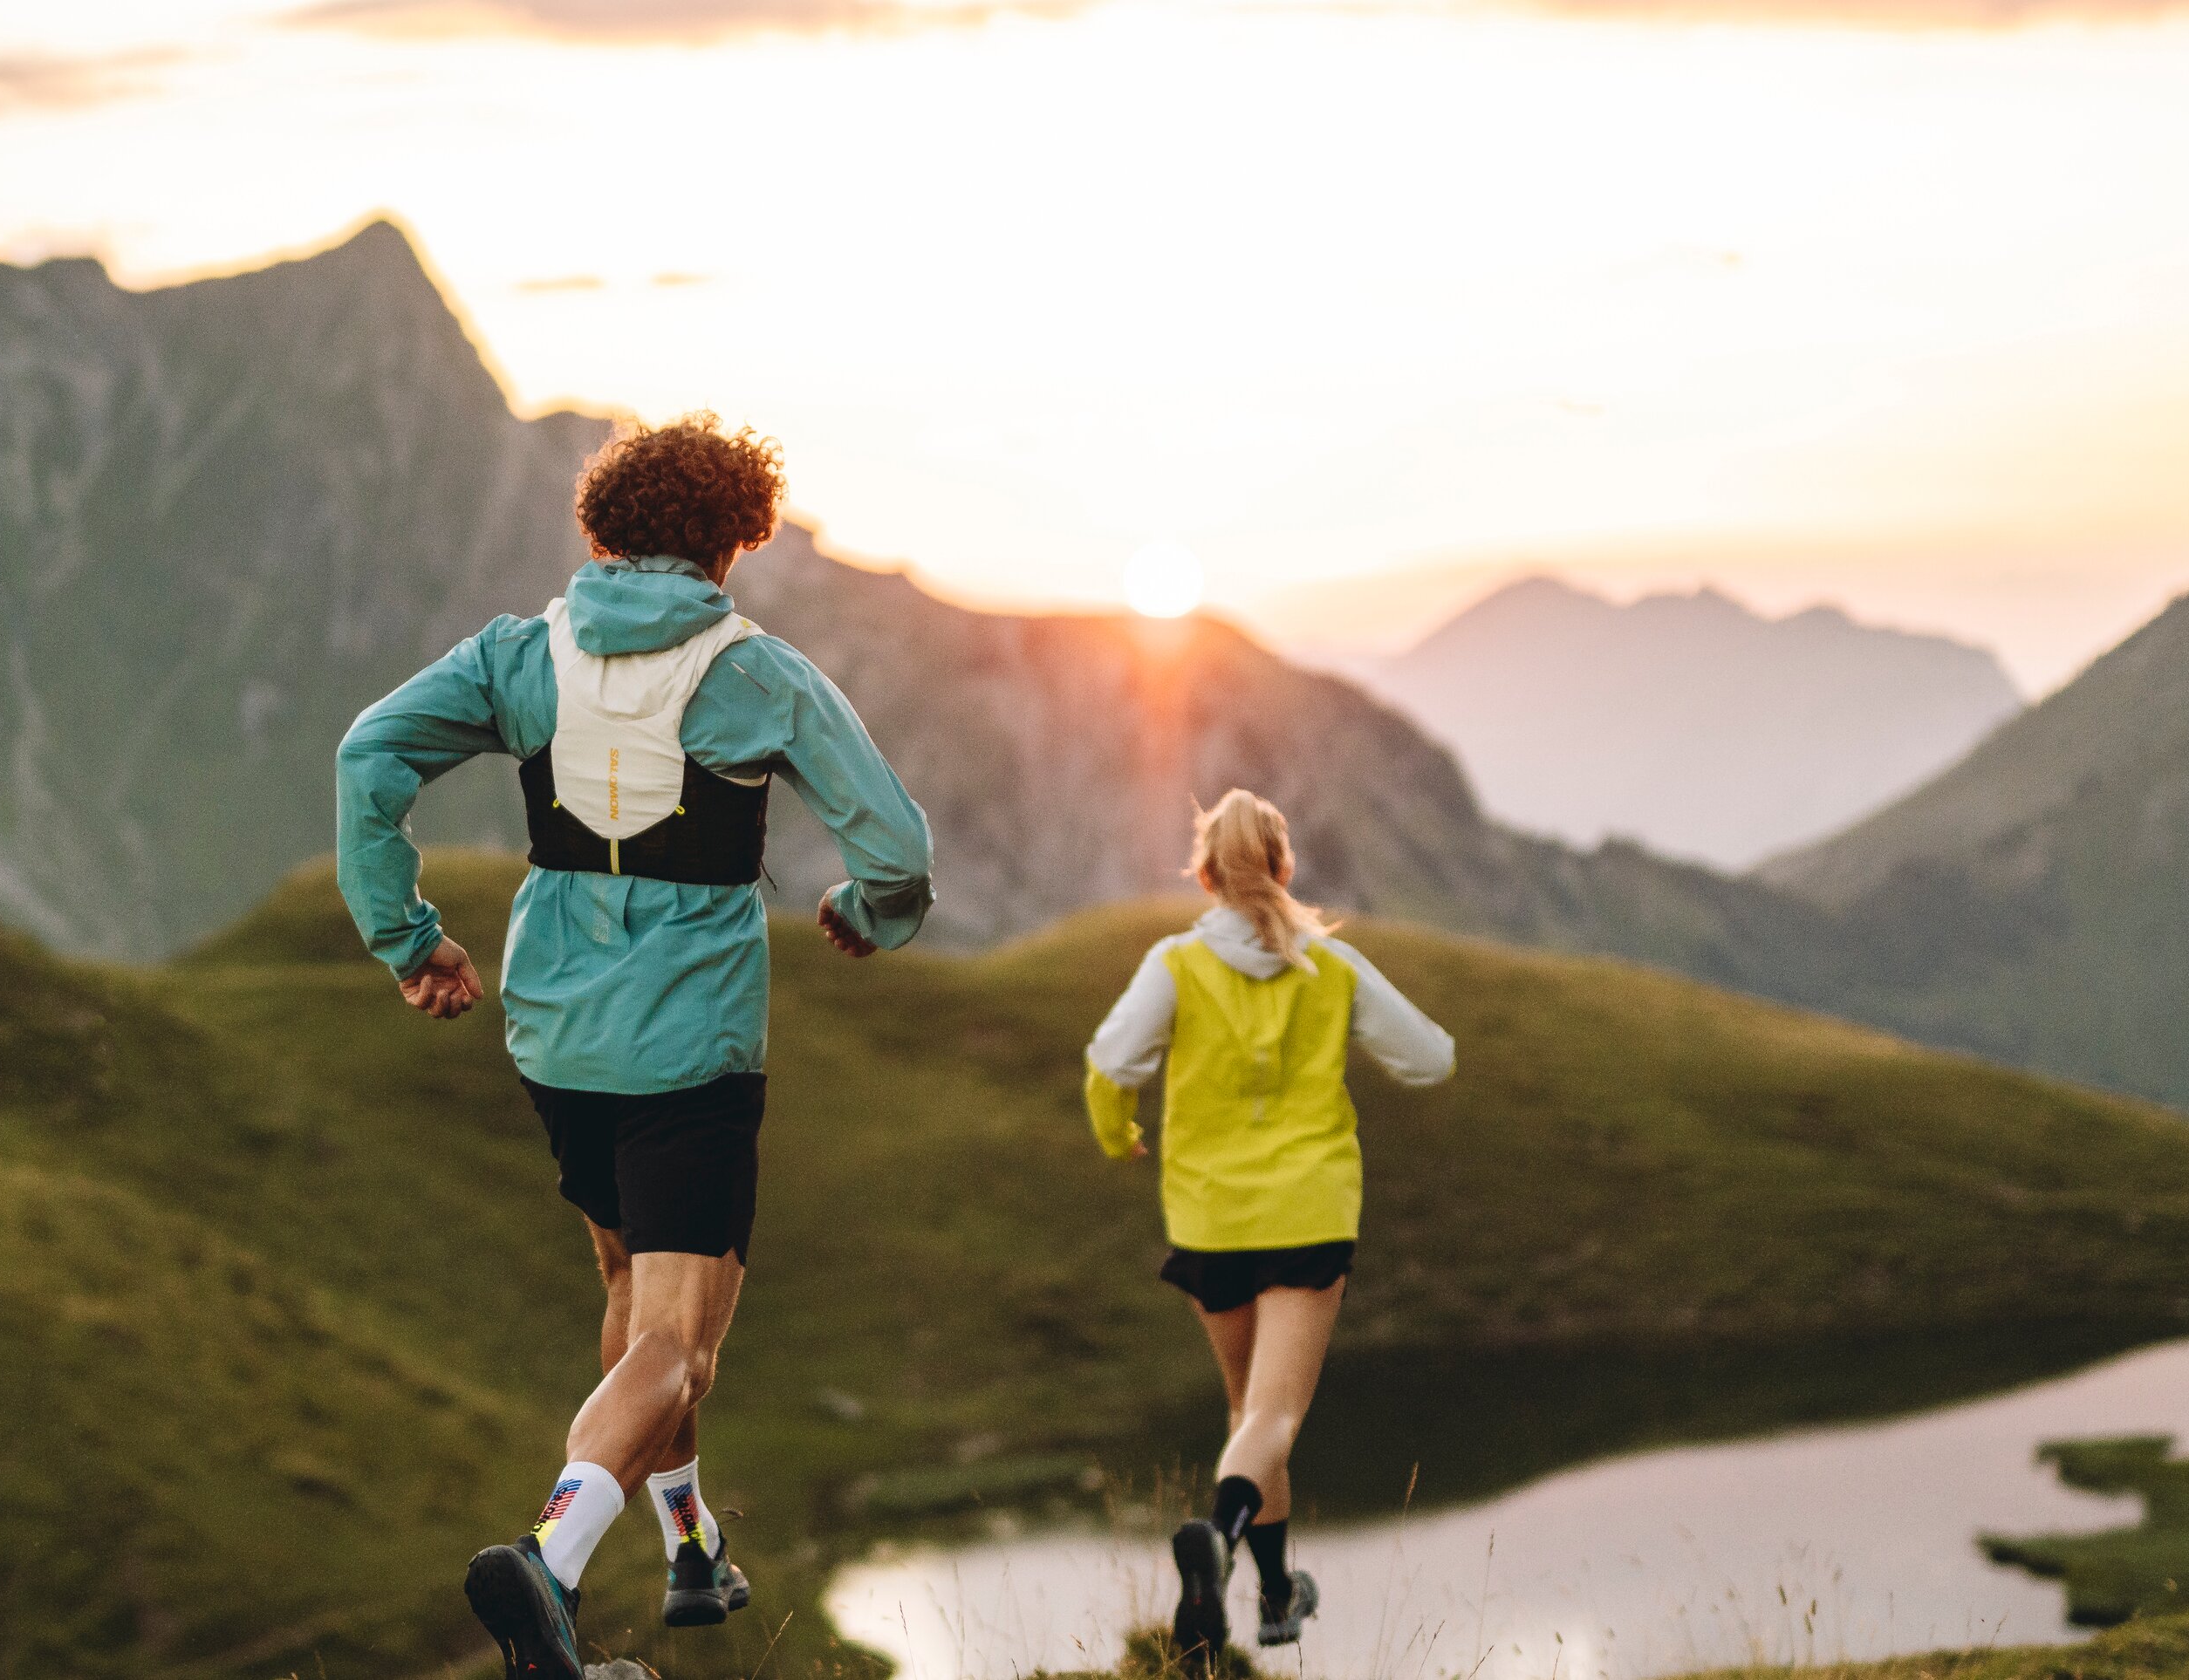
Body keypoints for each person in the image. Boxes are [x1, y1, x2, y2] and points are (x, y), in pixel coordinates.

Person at [336, 413, 934, 1680]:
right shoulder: (757, 670)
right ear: (733, 544)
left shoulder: (519, 655)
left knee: (630, 1294)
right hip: (693, 1046)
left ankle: (690, 1544)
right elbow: (897, 846)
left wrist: (408, 937)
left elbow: (369, 751)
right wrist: (869, 913)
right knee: (683, 1343)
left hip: (554, 1032)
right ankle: (548, 1563)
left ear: (599, 532)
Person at [1079, 789, 1454, 1661]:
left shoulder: (1173, 964)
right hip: (1308, 1214)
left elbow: (1109, 1063)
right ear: (1283, 867)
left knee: (1250, 1411)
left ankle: (1278, 1594)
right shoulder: (1333, 967)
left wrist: (1118, 1135)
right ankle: (1216, 1537)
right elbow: (1430, 1059)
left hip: (1208, 1221)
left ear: (1204, 873)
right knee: (1273, 1421)